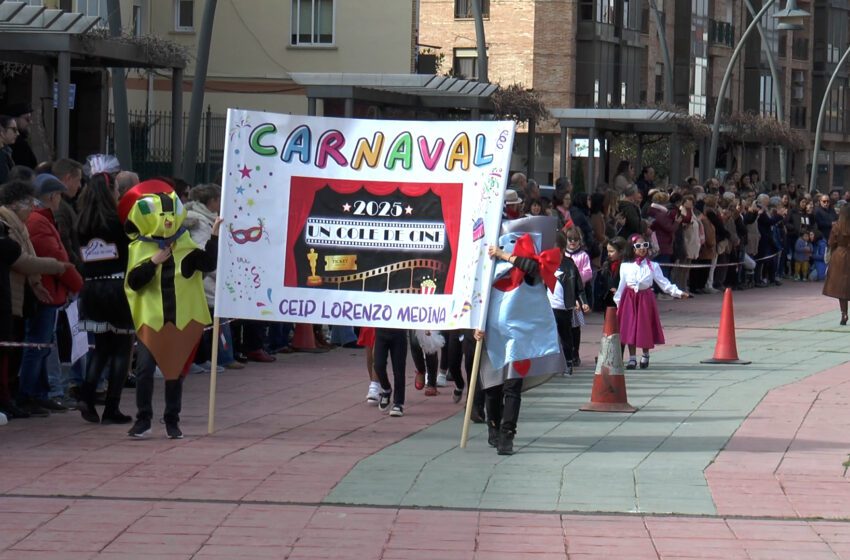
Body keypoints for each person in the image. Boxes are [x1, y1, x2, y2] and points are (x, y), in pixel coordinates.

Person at [121, 180, 221, 439]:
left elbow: (208, 263)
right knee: (143, 369)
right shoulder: (139, 249)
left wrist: (214, 237)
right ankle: (143, 419)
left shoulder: (186, 248)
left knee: (174, 371)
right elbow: (133, 282)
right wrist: (153, 262)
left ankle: (172, 420)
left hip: (180, 320)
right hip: (150, 320)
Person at [0, 181, 68, 418]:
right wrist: (56, 266)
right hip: (8, 292)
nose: (32, 207)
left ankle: (13, 397)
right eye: (29, 203)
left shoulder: (20, 224)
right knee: (12, 348)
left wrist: (37, 283)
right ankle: (15, 397)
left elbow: (28, 252)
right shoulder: (5, 224)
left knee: (15, 347)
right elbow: (20, 258)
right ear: (16, 203)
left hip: (19, 294)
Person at [20, 174, 83, 414]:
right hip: (45, 291)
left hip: (49, 289)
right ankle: (30, 393)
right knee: (37, 345)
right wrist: (77, 284)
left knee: (43, 345)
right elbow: (57, 257)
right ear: (52, 196)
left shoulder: (41, 220)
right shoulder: (39, 222)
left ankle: (41, 392)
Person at [75, 172, 135, 424]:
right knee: (122, 349)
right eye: (117, 189)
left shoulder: (82, 222)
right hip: (117, 288)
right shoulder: (118, 221)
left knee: (100, 348)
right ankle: (112, 407)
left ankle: (86, 396)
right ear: (111, 191)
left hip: (91, 288)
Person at [614, 234, 689, 370]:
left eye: (645, 245)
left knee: (644, 327)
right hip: (629, 298)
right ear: (632, 249)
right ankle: (632, 358)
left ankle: (645, 354)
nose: (642, 249)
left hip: (645, 298)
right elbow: (621, 285)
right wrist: (618, 303)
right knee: (629, 328)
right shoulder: (625, 266)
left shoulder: (653, 265)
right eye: (638, 246)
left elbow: (663, 282)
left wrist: (677, 292)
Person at [549, 231, 589, 376]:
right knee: (550, 336)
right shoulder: (546, 263)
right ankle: (552, 365)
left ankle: (568, 362)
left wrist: (583, 302)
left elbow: (579, 286)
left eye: (556, 251)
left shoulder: (570, 265)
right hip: (548, 307)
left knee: (566, 335)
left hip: (564, 307)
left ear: (561, 250)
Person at [562, 227, 591, 366]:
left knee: (575, 326)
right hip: (561, 294)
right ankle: (565, 353)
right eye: (570, 239)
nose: (572, 242)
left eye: (575, 239)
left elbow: (588, 272)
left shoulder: (583, 255)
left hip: (576, 294)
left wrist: (575, 278)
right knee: (564, 325)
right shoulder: (563, 255)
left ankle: (575, 352)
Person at [822, 205, 850, 325]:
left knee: (841, 288)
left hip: (839, 255)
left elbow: (831, 242)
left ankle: (844, 314)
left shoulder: (836, 226)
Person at [373, 328, 408, 417]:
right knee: (378, 365)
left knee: (399, 369)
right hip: (381, 330)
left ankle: (398, 403)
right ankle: (386, 389)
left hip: (399, 331)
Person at [3, 104, 37, 169]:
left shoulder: (20, 141)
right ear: (14, 120)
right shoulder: (17, 143)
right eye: (27, 119)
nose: (30, 122)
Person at [0, 116, 18, 185]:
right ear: (2, 131)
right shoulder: (2, 156)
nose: (17, 133)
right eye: (14, 129)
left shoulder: (6, 151)